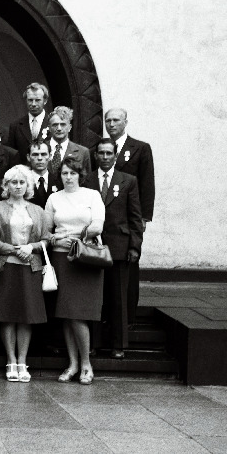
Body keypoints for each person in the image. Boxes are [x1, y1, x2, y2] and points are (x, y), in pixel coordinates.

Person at [0, 165, 52, 383]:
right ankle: (10, 360)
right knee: (7, 315)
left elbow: (45, 238)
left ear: (28, 186)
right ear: (6, 186)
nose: (18, 186)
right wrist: (16, 249)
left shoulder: (38, 210)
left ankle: (23, 361)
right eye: (13, 182)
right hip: (6, 267)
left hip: (30, 268)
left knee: (26, 316)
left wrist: (31, 248)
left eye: (22, 182)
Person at [45, 156, 106, 385]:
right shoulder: (53, 198)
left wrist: (70, 237)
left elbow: (97, 226)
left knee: (79, 314)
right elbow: (46, 231)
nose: (68, 177)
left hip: (85, 259)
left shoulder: (92, 195)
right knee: (66, 314)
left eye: (72, 173)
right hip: (62, 259)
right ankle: (72, 364)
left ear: (80, 175)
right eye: (64, 173)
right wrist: (55, 238)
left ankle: (86, 364)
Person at [83, 138, 142, 359]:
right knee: (95, 297)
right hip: (93, 248)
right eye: (101, 153)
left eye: (109, 153)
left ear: (115, 155)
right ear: (95, 155)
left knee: (118, 298)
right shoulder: (87, 180)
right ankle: (93, 343)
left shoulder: (128, 181)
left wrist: (135, 246)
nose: (105, 157)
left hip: (119, 247)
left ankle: (119, 345)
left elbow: (135, 218)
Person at [103, 107, 155, 326]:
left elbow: (147, 184)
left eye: (116, 120)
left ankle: (128, 319)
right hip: (107, 219)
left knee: (129, 271)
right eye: (108, 120)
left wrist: (143, 219)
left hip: (129, 219)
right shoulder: (102, 149)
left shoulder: (140, 148)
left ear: (126, 122)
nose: (112, 124)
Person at [6, 82, 51, 164]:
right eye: (30, 100)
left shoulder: (53, 124)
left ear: (45, 101)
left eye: (37, 100)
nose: (33, 104)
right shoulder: (16, 126)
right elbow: (11, 154)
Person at [46, 106, 91, 175]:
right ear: (49, 128)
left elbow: (86, 180)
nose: (59, 128)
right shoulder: (40, 149)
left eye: (63, 124)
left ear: (69, 127)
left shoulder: (83, 152)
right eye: (55, 125)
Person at [26, 139, 60, 209]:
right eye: (35, 154)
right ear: (28, 157)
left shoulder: (59, 181)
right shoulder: (23, 182)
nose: (40, 158)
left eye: (43, 154)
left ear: (50, 156)